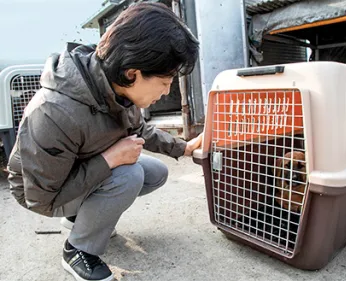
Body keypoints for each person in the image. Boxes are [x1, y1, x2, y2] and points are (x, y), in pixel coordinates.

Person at [7, 3, 201, 281]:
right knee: (128, 174)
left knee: (155, 172)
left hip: (78, 169)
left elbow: (140, 129)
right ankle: (77, 250)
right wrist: (110, 159)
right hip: (40, 193)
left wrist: (184, 147)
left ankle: (79, 219)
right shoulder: (53, 112)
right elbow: (40, 198)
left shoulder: (115, 87)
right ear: (133, 73)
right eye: (165, 81)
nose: (167, 91)